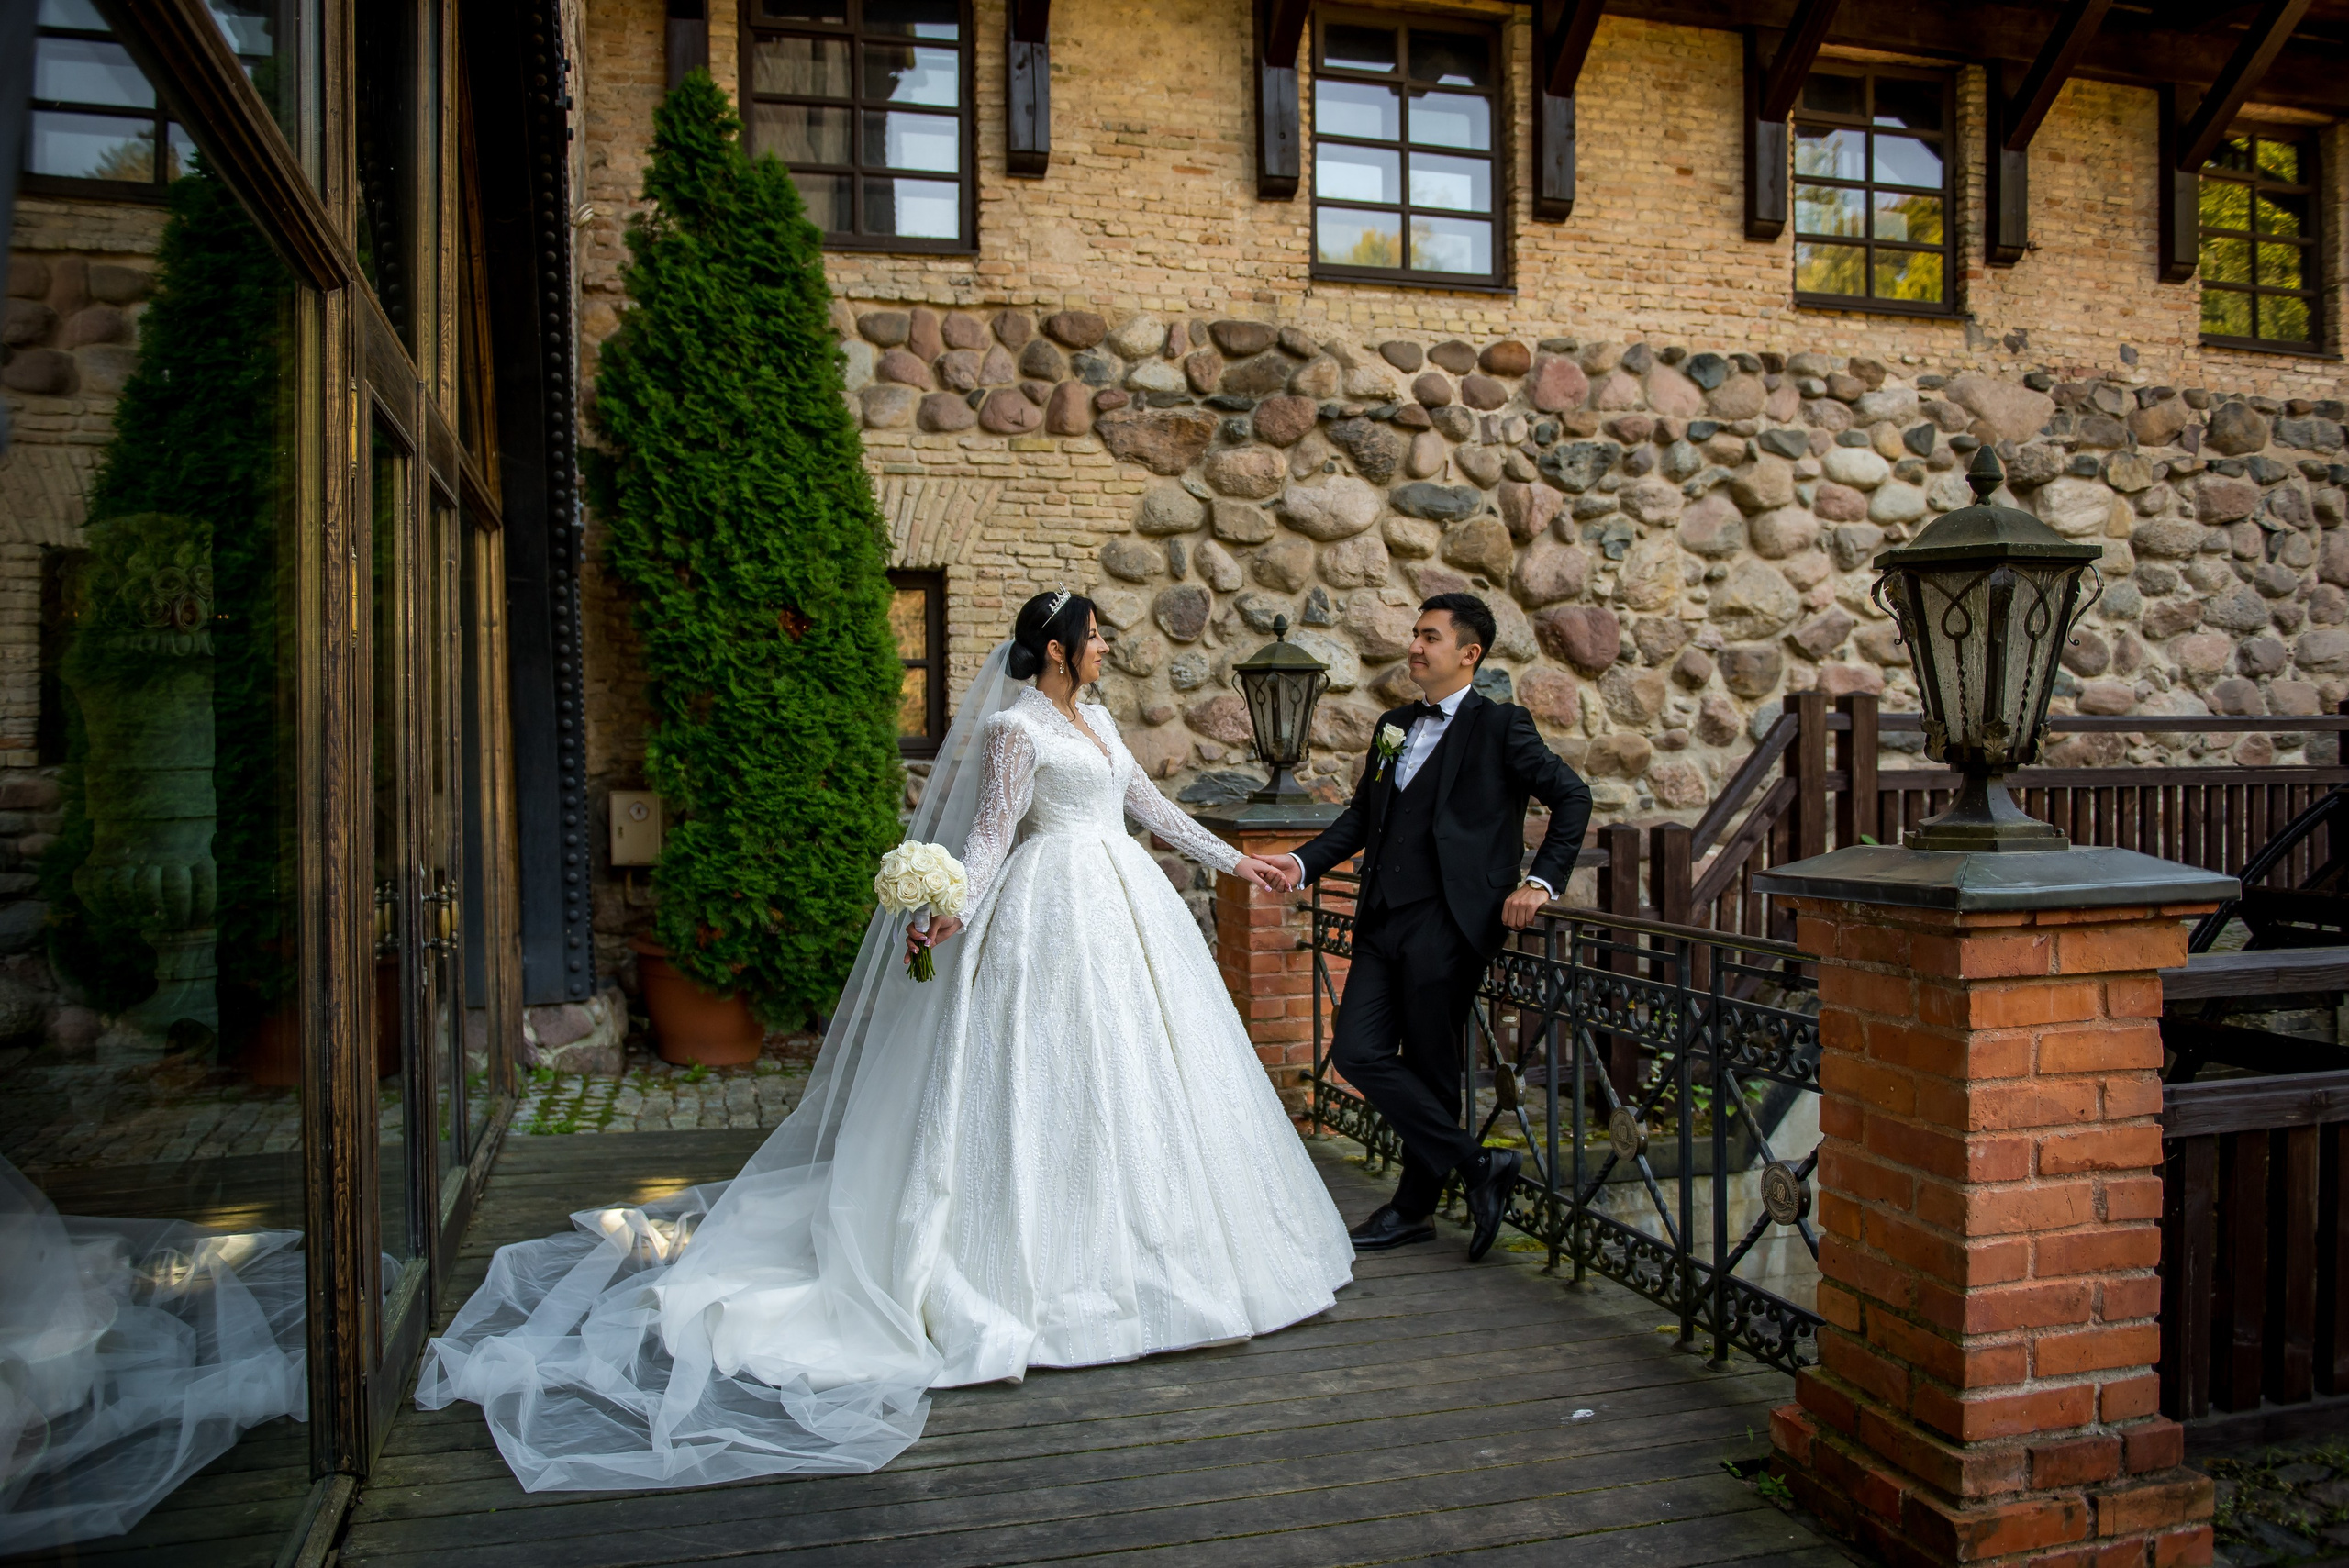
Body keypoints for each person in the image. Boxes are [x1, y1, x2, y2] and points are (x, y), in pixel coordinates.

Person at [415, 590, 1353, 1491]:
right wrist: (946, 912)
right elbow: (988, 840)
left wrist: (1243, 864)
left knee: (1145, 1079)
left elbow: (1152, 807)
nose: (1108, 647)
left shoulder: (1101, 723)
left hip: (1124, 906)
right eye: (1096, 636)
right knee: (1047, 1080)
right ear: (1058, 648)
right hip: (1048, 912)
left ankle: (1166, 1254)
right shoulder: (1013, 728)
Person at [1270, 592, 1591, 1262]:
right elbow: (1363, 819)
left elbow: (1572, 797)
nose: (1415, 646)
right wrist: (1299, 864)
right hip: (1383, 917)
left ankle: (1412, 1209)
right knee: (1356, 1050)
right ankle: (1478, 1167)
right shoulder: (1392, 725)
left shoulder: (1502, 725)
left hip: (1452, 921)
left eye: (1430, 637)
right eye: (1415, 634)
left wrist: (1539, 881)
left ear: (1469, 653)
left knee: (1434, 1067)